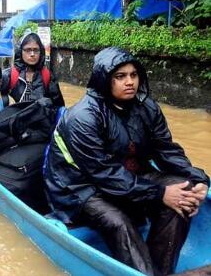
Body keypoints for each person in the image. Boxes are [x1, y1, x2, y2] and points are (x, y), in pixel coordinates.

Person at [44, 47, 209, 276]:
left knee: (184, 192)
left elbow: (166, 151)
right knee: (117, 221)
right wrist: (160, 193)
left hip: (129, 176)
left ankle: (159, 270)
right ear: (104, 80)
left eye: (133, 75)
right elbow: (103, 174)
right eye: (120, 77)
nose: (129, 82)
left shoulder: (147, 107)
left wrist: (199, 179)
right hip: (80, 187)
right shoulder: (84, 117)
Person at [0, 30, 64, 107]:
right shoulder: (9, 76)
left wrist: (47, 104)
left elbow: (58, 106)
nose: (32, 54)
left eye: (36, 50)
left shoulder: (47, 76)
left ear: (41, 52)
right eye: (28, 50)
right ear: (20, 52)